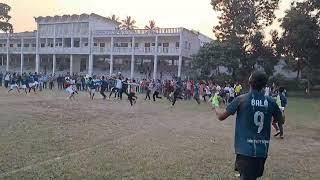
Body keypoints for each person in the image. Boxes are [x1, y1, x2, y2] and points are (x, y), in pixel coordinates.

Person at [214, 71, 283, 180]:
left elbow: (221, 116)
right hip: (262, 150)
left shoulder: (241, 99)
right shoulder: (271, 102)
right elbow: (282, 120)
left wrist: (216, 106)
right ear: (265, 85)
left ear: (249, 82)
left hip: (245, 150)